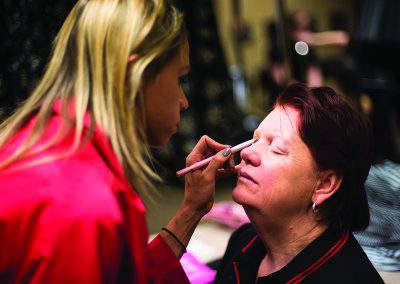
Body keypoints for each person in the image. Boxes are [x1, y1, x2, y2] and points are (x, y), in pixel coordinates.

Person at [0, 0, 235, 283]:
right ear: (137, 75)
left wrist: (191, 210)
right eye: (180, 78)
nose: (184, 102)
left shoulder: (52, 146)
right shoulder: (80, 206)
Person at [213, 83, 384, 283]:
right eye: (254, 140)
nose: (247, 153)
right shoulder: (243, 240)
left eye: (276, 148)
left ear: (324, 185)